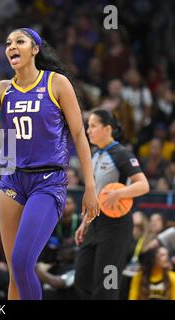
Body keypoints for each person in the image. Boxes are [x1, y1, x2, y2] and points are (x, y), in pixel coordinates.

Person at [0, 27, 100, 300]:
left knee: (23, 261)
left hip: (48, 181)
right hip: (13, 179)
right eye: (8, 43)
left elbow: (78, 135)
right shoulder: (3, 89)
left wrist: (90, 185)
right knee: (15, 272)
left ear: (35, 49)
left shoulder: (56, 83)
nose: (12, 46)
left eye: (20, 42)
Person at [74, 109, 150, 300]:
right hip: (95, 223)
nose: (88, 130)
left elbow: (143, 184)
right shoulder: (94, 154)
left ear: (107, 129)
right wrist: (85, 222)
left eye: (93, 126)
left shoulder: (121, 154)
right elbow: (96, 193)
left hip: (116, 226)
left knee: (107, 283)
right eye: (88, 126)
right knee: (81, 279)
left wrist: (118, 193)